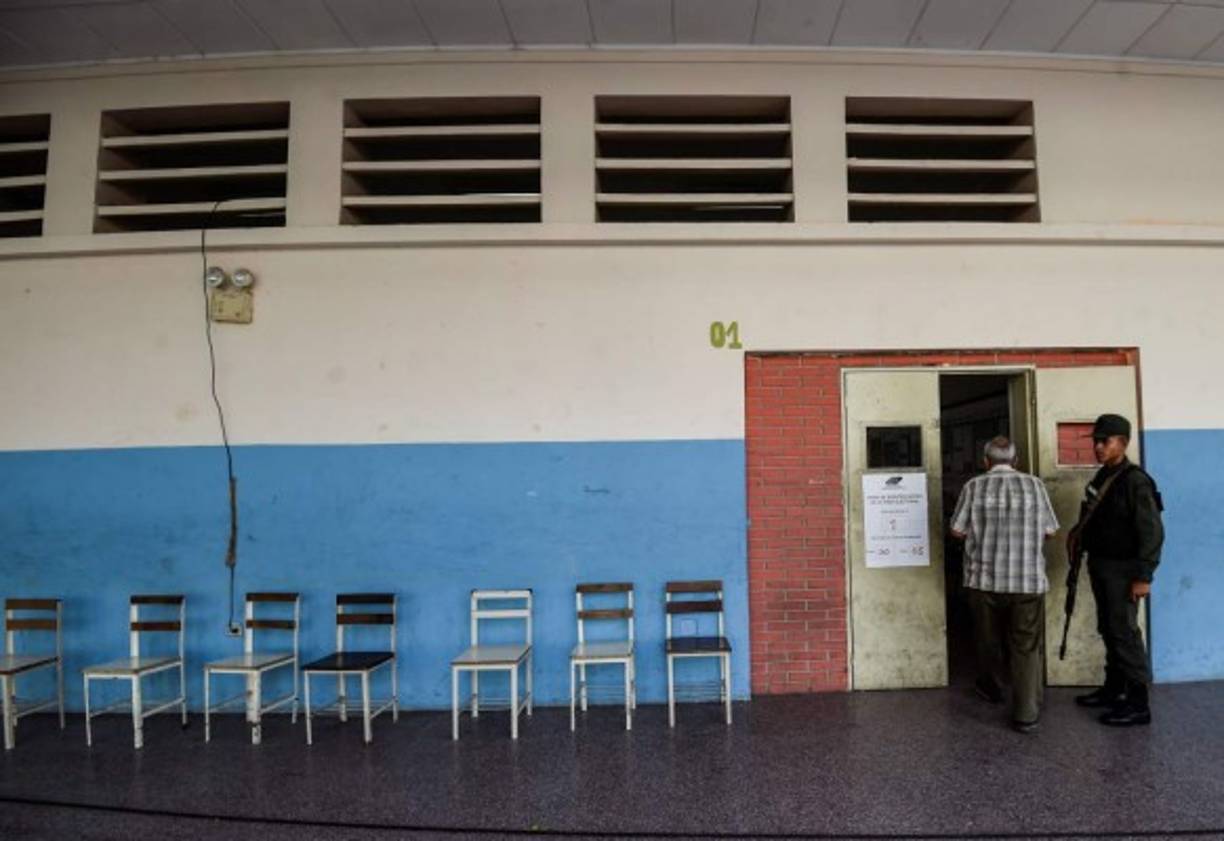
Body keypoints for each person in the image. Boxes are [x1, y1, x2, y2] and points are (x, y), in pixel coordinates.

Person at [950, 435, 1059, 733]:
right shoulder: (1035, 485)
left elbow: (957, 531)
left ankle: (993, 688)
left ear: (986, 461)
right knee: (1025, 645)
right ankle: (1026, 712)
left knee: (988, 639)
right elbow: (1050, 531)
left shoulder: (973, 486)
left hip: (983, 580)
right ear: (1016, 460)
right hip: (1027, 582)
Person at [1073, 413, 1164, 727]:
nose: (1098, 446)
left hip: (1125, 570)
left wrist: (1144, 575)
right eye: (1097, 441)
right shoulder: (1103, 476)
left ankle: (1139, 704)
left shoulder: (1135, 481)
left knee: (1124, 633)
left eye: (1105, 441)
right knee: (1109, 628)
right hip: (1102, 564)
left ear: (1123, 443)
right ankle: (1114, 689)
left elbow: (1152, 532)